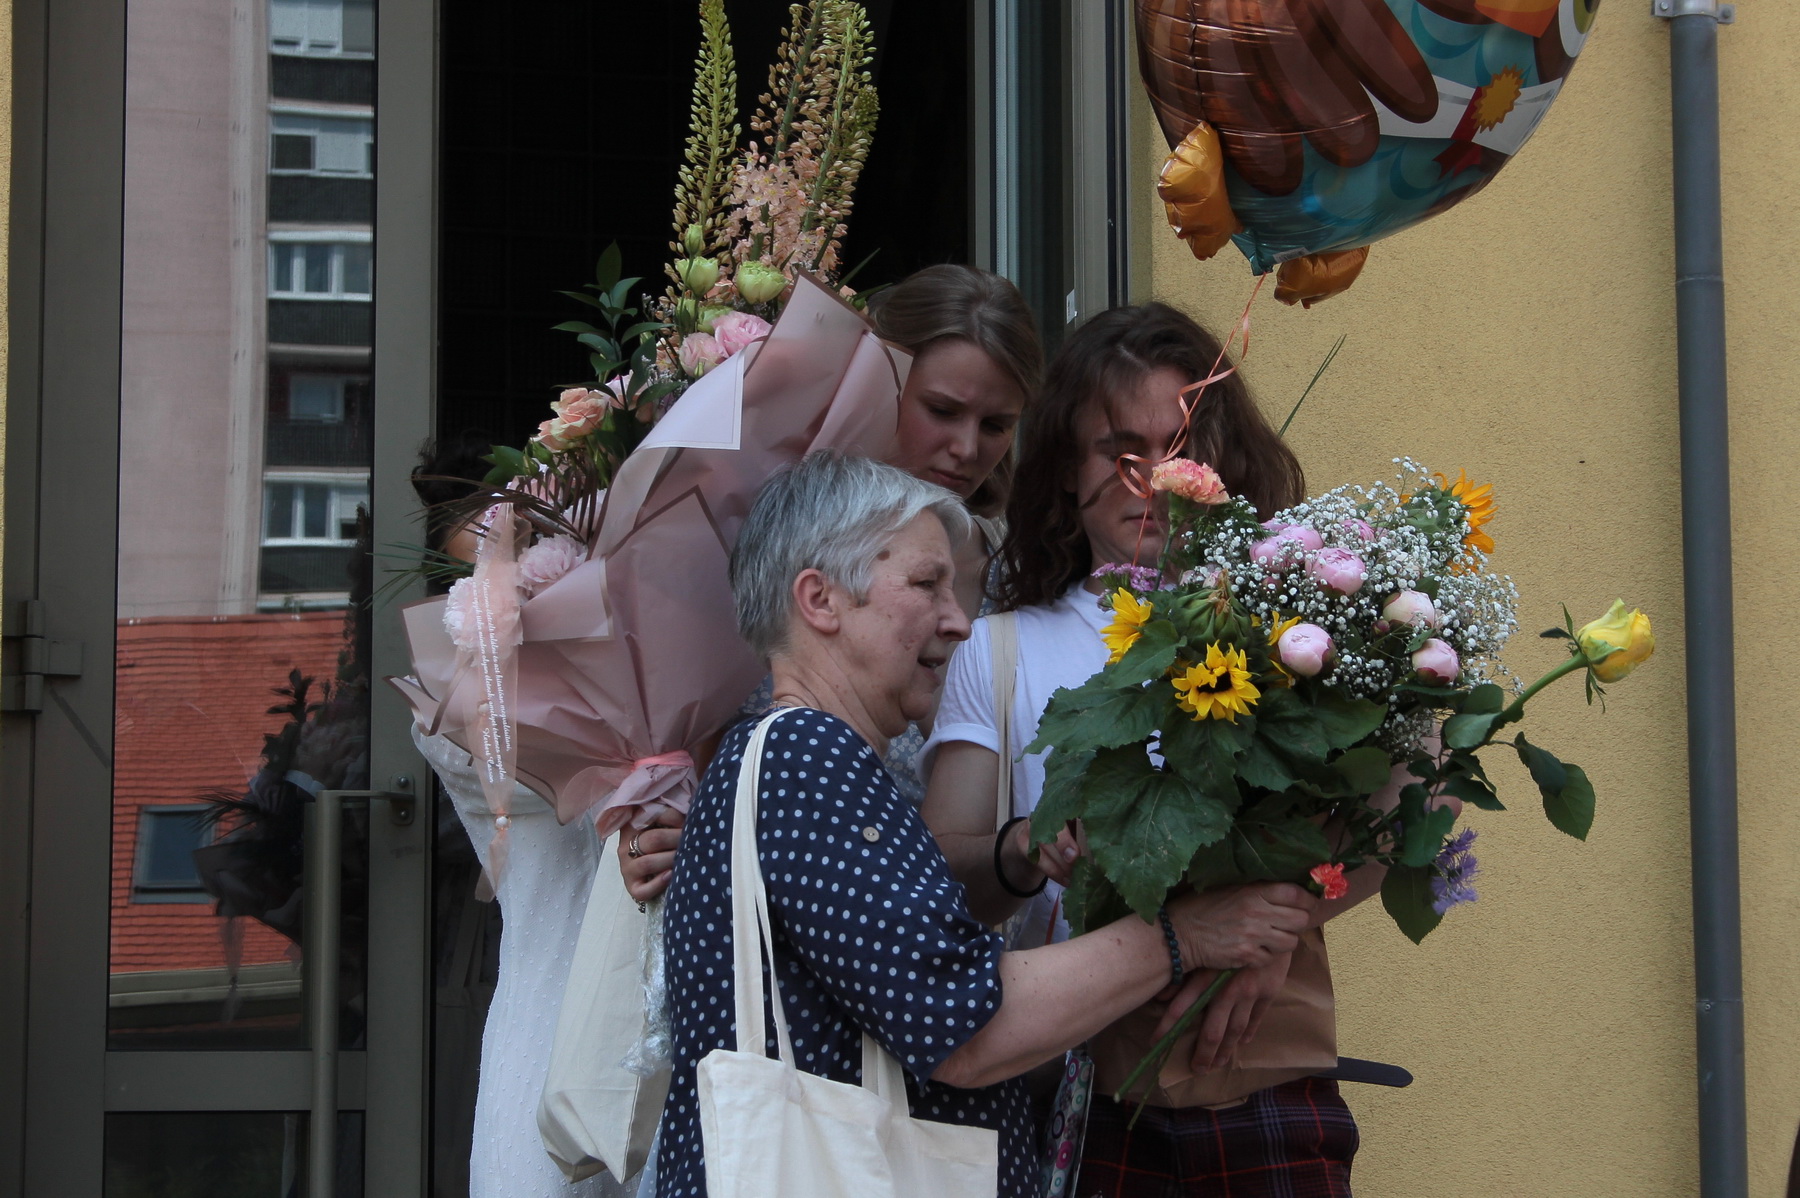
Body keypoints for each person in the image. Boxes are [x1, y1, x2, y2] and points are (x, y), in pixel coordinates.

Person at [654, 452, 1318, 1197]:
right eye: (926, 584)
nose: (960, 622)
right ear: (821, 599)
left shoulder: (797, 759)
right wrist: (1184, 936)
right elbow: (964, 1027)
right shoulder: (808, 754)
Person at [922, 302, 1373, 1195]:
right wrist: (1024, 846)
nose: (1156, 482)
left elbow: (1405, 806)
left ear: (1223, 459)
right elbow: (942, 875)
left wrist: (1281, 925)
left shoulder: (1292, 629)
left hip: (1260, 1078)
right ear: (1065, 471)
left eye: (1181, 448)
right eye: (1121, 455)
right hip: (1081, 1082)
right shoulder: (997, 649)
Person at [619, 263, 1042, 903]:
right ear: (877, 381)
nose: (965, 447)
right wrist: (654, 831)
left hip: (974, 933)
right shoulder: (770, 546)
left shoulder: (1027, 575)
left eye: (995, 425)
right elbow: (686, 758)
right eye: (942, 410)